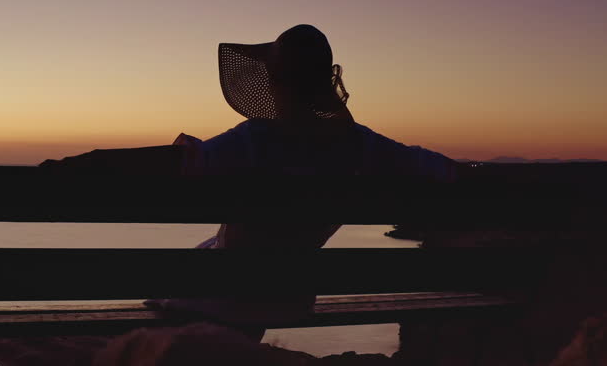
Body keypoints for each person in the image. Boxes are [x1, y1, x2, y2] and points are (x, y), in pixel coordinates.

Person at [40, 24, 459, 338]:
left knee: (184, 291)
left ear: (275, 85)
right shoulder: (364, 147)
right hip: (291, 297)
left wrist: (83, 163)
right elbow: (441, 169)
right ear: (327, 82)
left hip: (224, 295)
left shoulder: (254, 140)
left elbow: (170, 165)